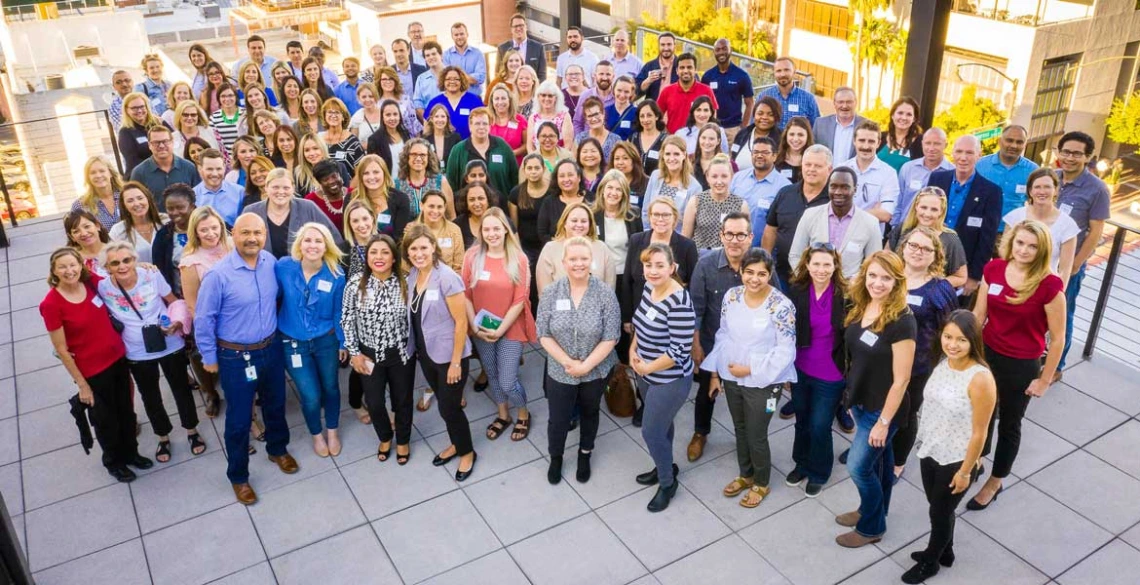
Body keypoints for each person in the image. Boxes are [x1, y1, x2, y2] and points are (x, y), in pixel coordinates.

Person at [195, 213, 298, 506]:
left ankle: (278, 449)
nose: (252, 238)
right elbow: (204, 319)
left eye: (257, 232)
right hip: (235, 356)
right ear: (233, 236)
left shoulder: (270, 262)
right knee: (239, 420)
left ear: (264, 234)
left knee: (276, 405)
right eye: (245, 233)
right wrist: (209, 357)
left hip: (271, 348)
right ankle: (239, 477)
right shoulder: (219, 275)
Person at [967, 220, 1065, 511]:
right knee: (981, 415)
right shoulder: (994, 269)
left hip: (1021, 365)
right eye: (1020, 243)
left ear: (1042, 250)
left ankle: (995, 481)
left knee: (1010, 424)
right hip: (986, 355)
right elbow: (978, 313)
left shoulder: (1050, 286)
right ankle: (978, 460)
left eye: (1032, 246)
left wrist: (1044, 379)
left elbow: (1058, 339)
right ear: (1011, 242)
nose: (1024, 250)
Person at [902, 311, 996, 584]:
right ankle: (947, 551)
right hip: (931, 447)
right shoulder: (943, 362)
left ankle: (931, 561)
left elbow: (981, 432)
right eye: (948, 336)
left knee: (938, 511)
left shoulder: (980, 379)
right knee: (938, 506)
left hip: (957, 458)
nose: (953, 344)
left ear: (974, 342)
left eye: (961, 340)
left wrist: (966, 471)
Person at [42, 248, 151, 483]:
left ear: (80, 265)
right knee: (106, 419)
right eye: (62, 267)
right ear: (54, 271)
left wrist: (142, 268)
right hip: (92, 371)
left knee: (126, 411)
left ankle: (132, 453)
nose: (69, 270)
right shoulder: (51, 303)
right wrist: (82, 385)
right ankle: (114, 461)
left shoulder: (90, 282)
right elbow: (61, 349)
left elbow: (118, 276)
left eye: (73, 265)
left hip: (117, 358)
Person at [835, 251, 916, 548]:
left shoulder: (902, 321)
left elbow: (902, 379)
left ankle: (872, 527)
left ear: (897, 281)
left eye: (886, 278)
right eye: (873, 275)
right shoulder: (862, 304)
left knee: (858, 467)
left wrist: (883, 423)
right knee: (881, 464)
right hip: (860, 400)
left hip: (882, 411)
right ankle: (871, 510)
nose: (878, 283)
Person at [703, 248, 795, 507]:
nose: (755, 279)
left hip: (764, 382)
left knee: (757, 433)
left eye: (762, 273)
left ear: (770, 274)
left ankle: (762, 482)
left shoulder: (781, 306)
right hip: (733, 377)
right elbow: (722, 336)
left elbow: (785, 350)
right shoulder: (732, 297)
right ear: (741, 271)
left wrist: (751, 369)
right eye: (749, 272)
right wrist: (715, 374)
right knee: (740, 427)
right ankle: (745, 473)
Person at [98, 240, 204, 463]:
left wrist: (176, 323)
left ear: (136, 260)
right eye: (115, 263)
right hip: (136, 352)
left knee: (181, 390)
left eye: (127, 260)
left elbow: (173, 301)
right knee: (151, 397)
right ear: (107, 267)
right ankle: (163, 436)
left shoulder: (151, 275)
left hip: (169, 343)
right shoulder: (103, 287)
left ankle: (192, 431)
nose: (122, 266)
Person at [537, 236, 621, 484]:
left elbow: (611, 336)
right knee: (558, 417)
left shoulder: (605, 294)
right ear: (564, 262)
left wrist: (585, 366)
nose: (578, 264)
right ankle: (556, 456)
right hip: (559, 370)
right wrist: (566, 362)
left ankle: (585, 453)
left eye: (583, 258)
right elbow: (542, 333)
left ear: (591, 261)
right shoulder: (552, 292)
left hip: (595, 371)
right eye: (573, 259)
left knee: (590, 412)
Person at [403, 224, 478, 479]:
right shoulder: (413, 275)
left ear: (433, 247)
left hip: (449, 357)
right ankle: (456, 443)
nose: (418, 253)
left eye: (423, 247)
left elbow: (461, 323)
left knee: (450, 408)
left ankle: (467, 452)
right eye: (413, 248)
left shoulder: (446, 277)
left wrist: (456, 362)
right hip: (427, 354)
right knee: (446, 406)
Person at [631, 243, 695, 512]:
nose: (653, 271)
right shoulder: (649, 288)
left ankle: (667, 482)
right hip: (645, 372)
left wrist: (647, 368)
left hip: (669, 379)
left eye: (659, 265)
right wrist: (633, 348)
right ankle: (664, 464)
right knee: (662, 426)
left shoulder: (679, 301)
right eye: (648, 265)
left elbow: (679, 350)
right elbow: (641, 324)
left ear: (672, 268)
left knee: (651, 430)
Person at [622, 198, 698, 426]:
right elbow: (627, 279)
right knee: (639, 357)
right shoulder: (638, 240)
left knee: (660, 361)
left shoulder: (685, 246)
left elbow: (692, 285)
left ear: (675, 218)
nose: (661, 219)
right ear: (649, 216)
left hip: (670, 317)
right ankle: (645, 404)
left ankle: (660, 405)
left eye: (666, 215)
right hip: (641, 311)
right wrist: (628, 317)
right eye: (656, 214)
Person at [462, 208, 537, 440]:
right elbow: (465, 293)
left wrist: (500, 330)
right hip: (481, 328)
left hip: (510, 328)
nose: (492, 233)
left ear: (506, 229)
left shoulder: (519, 258)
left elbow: (520, 300)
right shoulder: (472, 257)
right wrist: (476, 329)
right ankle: (503, 414)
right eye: (487, 229)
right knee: (492, 374)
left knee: (508, 380)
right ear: (481, 232)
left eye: (497, 228)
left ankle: (523, 413)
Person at [342, 234, 417, 464]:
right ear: (367, 258)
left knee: (402, 400)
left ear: (394, 257)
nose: (379, 257)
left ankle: (403, 440)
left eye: (385, 252)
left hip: (401, 354)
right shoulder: (355, 284)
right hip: (368, 354)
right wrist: (354, 352)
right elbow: (347, 319)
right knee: (374, 402)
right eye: (373, 252)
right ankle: (385, 436)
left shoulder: (406, 281)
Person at [891, 228, 959, 479]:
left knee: (906, 415)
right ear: (904, 247)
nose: (918, 252)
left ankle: (897, 461)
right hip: (883, 362)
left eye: (925, 249)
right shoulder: (890, 277)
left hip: (916, 367)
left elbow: (950, 331)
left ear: (935, 255)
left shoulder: (939, 289)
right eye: (913, 246)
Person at [687, 212, 753, 463]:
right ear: (721, 235)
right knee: (706, 392)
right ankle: (700, 432)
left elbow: (774, 301)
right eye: (729, 234)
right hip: (712, 343)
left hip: (748, 347)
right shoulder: (705, 264)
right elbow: (696, 309)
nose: (734, 240)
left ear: (750, 237)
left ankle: (746, 437)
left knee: (747, 395)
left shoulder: (761, 262)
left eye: (740, 235)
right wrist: (696, 346)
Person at [785, 243, 848, 496]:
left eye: (827, 264)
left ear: (835, 267)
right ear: (807, 265)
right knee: (802, 420)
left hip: (831, 373)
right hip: (801, 368)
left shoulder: (845, 295)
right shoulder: (797, 290)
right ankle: (801, 463)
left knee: (820, 424)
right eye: (816, 264)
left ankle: (819, 471)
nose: (821, 269)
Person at [1055, 131, 1109, 378]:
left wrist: (1075, 266)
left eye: (1077, 153)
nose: (1069, 158)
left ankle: (1057, 366)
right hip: (1040, 261)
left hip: (1068, 266)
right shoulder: (1052, 178)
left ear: (1088, 157)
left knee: (1062, 314)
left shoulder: (1097, 189)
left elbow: (1096, 232)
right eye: (1065, 151)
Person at [926, 135, 1002, 300]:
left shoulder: (991, 192)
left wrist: (974, 276)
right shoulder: (937, 179)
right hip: (928, 261)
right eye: (959, 151)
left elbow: (987, 239)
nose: (963, 157)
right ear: (952, 153)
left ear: (978, 155)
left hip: (962, 269)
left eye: (969, 152)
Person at [179, 206, 231, 418]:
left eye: (214, 227)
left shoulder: (233, 247)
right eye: (204, 230)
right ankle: (212, 394)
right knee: (220, 368)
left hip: (242, 320)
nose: (211, 233)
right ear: (195, 232)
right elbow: (192, 304)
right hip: (215, 324)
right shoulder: (191, 261)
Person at [789, 167, 882, 280]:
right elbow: (795, 255)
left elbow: (874, 264)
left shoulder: (870, 222)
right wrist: (810, 282)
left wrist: (854, 285)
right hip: (814, 290)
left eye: (845, 187)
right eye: (833, 186)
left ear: (855, 189)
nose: (838, 192)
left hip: (850, 293)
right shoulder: (810, 215)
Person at [762, 145, 833, 287]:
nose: (811, 169)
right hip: (782, 274)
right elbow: (770, 231)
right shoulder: (785, 193)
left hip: (819, 280)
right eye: (808, 164)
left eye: (818, 166)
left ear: (829, 169)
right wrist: (766, 264)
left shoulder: (833, 200)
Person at [246, 169, 344, 259]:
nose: (281, 192)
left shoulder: (308, 207)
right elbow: (241, 244)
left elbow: (334, 239)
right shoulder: (251, 211)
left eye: (286, 188)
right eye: (275, 187)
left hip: (302, 273)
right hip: (262, 272)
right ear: (266, 188)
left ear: (293, 188)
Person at [887, 187, 969, 288]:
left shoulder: (950, 239)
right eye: (923, 207)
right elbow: (885, 260)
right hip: (896, 291)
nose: (927, 214)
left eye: (934, 209)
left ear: (941, 212)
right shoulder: (903, 228)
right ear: (916, 206)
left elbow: (961, 277)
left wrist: (930, 286)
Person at [536, 202, 616, 292]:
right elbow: (544, 293)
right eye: (574, 221)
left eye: (584, 221)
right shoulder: (550, 249)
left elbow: (610, 288)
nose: (579, 225)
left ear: (590, 224)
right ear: (564, 223)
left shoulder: (602, 248)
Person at [730, 136, 792, 246]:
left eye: (765, 152)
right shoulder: (738, 178)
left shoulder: (784, 187)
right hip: (733, 245)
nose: (759, 155)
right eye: (756, 152)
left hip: (762, 251)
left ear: (774, 156)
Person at [445, 108, 519, 197]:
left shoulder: (502, 146)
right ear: (470, 126)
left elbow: (514, 176)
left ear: (489, 126)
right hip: (467, 206)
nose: (481, 127)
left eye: (485, 123)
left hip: (499, 206)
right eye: (477, 124)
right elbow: (451, 182)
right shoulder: (458, 150)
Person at [839, 120, 898, 230]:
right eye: (861, 140)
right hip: (840, 232)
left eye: (871, 141)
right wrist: (873, 212)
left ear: (878, 143)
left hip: (871, 236)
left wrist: (848, 214)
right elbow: (833, 208)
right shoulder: (841, 170)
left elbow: (886, 214)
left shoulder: (889, 173)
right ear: (854, 141)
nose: (866, 146)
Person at [682, 154, 748, 250]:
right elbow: (685, 239)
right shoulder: (696, 202)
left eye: (724, 176)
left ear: (731, 177)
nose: (719, 181)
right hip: (700, 260)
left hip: (729, 260)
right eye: (714, 176)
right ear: (707, 178)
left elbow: (745, 241)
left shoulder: (741, 205)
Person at [129, 126, 201, 210]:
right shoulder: (139, 173)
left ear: (172, 142)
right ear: (149, 145)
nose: (161, 146)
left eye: (165, 141)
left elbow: (199, 199)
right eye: (156, 142)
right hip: (157, 221)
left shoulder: (189, 167)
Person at [977, 125, 1039, 222]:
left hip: (1014, 230)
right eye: (1009, 140)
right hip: (982, 228)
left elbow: (1036, 203)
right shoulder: (980, 165)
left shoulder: (1033, 170)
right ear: (1000, 141)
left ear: (1025, 145)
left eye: (1019, 142)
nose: (1014, 146)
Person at [893, 128, 953, 227]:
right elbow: (897, 201)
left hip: (935, 233)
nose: (931, 148)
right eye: (928, 143)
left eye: (937, 144)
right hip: (906, 228)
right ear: (922, 144)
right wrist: (895, 227)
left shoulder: (952, 172)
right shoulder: (908, 168)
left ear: (945, 145)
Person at [701, 38, 755, 142]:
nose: (721, 52)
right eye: (718, 50)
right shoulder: (707, 76)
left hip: (733, 129)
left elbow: (750, 103)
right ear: (714, 52)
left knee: (731, 158)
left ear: (731, 50)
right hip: (712, 127)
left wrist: (743, 128)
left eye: (724, 49)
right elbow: (702, 103)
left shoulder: (742, 75)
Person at [641, 136, 701, 227]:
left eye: (676, 154)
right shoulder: (655, 176)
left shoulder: (694, 187)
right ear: (663, 156)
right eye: (668, 154)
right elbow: (646, 211)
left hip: (677, 238)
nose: (671, 158)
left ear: (684, 155)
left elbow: (692, 223)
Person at [351, 154, 412, 241]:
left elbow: (399, 238)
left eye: (376, 172)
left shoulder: (401, 199)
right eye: (366, 173)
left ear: (385, 173)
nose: (371, 177)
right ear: (360, 177)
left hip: (389, 251)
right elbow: (348, 233)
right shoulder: (351, 199)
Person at [151, 184, 195, 298]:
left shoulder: (208, 227)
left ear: (192, 206)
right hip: (179, 299)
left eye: (180, 207)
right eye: (170, 209)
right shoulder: (163, 236)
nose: (175, 212)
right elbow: (159, 272)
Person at [395, 137, 456, 219]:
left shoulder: (441, 182)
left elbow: (451, 216)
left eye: (422, 155)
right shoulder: (396, 184)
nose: (418, 158)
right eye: (414, 154)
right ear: (406, 157)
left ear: (429, 158)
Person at [657, 53, 717, 135]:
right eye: (682, 68)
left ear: (695, 69)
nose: (685, 71)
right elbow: (657, 116)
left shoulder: (706, 90)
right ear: (677, 71)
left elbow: (713, 117)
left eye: (689, 67)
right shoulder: (667, 91)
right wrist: (666, 133)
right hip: (674, 140)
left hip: (699, 141)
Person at [109, 182, 165, 263]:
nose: (137, 203)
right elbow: (110, 260)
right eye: (130, 201)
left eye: (140, 198)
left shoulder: (166, 221)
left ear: (148, 199)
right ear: (124, 205)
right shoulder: (117, 231)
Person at [428, 65, 486, 140]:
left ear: (462, 81)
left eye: (456, 79)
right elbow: (427, 129)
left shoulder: (474, 101)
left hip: (469, 147)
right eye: (448, 79)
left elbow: (484, 124)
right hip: (443, 148)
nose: (452, 82)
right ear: (443, 81)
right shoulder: (435, 102)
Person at [537, 159, 588, 243]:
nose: (566, 179)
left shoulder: (591, 200)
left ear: (579, 177)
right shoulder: (549, 202)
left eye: (570, 175)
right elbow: (542, 233)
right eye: (562, 176)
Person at [758, 57, 819, 127]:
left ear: (794, 72)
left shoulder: (808, 99)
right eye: (778, 71)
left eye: (786, 70)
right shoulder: (763, 96)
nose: (782, 74)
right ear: (774, 73)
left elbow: (816, 129)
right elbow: (754, 124)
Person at [415, 189, 465, 273]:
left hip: (448, 282)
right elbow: (406, 267)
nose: (435, 211)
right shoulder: (412, 230)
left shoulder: (454, 230)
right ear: (421, 206)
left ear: (445, 208)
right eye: (431, 206)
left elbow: (458, 266)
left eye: (439, 207)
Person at [118, 92, 166, 176]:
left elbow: (174, 142)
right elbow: (133, 160)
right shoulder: (125, 132)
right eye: (134, 108)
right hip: (141, 175)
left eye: (141, 107)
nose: (139, 111)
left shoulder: (159, 122)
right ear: (127, 110)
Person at [812, 87, 864, 163]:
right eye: (840, 102)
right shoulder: (820, 124)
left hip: (855, 174)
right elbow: (813, 151)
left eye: (849, 102)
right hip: (826, 174)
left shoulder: (866, 126)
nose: (844, 106)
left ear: (855, 102)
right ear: (834, 103)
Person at [193, 149, 244, 226]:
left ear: (224, 168)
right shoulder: (193, 195)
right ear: (200, 169)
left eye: (218, 169)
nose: (215, 174)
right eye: (209, 169)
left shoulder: (239, 192)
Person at [731, 97, 783, 170]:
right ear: (754, 115)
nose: (764, 117)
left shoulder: (782, 138)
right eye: (760, 113)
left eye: (770, 114)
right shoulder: (742, 133)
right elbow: (733, 157)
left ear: (777, 117)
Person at [73, 156, 123, 230]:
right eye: (93, 173)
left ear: (110, 173)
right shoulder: (80, 205)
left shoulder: (125, 196)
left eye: (102, 171)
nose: (98, 175)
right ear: (88, 178)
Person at [364, 98, 411, 172]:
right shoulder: (374, 139)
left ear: (399, 116)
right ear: (382, 117)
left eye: (395, 114)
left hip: (405, 181)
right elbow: (372, 166)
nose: (392, 118)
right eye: (388, 115)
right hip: (387, 181)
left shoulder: (405, 134)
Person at [303, 160, 349, 236]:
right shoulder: (311, 201)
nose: (331, 181)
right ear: (319, 183)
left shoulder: (353, 195)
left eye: (334, 176)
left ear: (340, 176)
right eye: (325, 179)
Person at [878, 97, 924, 171]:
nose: (904, 117)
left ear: (914, 119)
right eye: (900, 113)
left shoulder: (921, 142)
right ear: (892, 115)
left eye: (909, 114)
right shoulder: (879, 137)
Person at [527, 80, 574, 151]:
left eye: (550, 96)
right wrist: (535, 160)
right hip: (538, 158)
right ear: (538, 97)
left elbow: (568, 145)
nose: (546, 99)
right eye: (543, 95)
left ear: (556, 98)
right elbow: (529, 146)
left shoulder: (564, 116)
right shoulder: (533, 117)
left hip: (560, 159)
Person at [499, 14, 547, 81]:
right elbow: (499, 72)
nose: (518, 28)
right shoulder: (502, 48)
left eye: (521, 25)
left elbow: (542, 75)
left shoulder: (538, 47)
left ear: (526, 27)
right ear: (511, 29)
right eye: (515, 26)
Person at [320, 98, 366, 169]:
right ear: (325, 116)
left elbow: (361, 171)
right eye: (330, 112)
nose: (333, 115)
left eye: (337, 112)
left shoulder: (353, 142)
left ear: (343, 117)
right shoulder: (319, 140)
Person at [443, 22, 487, 96]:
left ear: (467, 34)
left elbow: (481, 77)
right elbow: (447, 80)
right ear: (452, 36)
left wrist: (456, 79)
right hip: (454, 99)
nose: (459, 37)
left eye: (462, 34)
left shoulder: (477, 54)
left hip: (475, 98)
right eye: (456, 35)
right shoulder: (446, 55)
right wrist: (470, 78)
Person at [572, 61, 615, 135]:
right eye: (601, 74)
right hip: (588, 142)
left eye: (608, 74)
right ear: (595, 76)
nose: (604, 78)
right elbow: (577, 122)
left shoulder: (617, 97)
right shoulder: (585, 95)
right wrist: (582, 141)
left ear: (613, 76)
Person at [489, 85, 528, 163]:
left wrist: (510, 154)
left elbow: (527, 145)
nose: (500, 102)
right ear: (492, 102)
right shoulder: (487, 120)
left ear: (509, 100)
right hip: (492, 166)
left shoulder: (520, 120)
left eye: (503, 98)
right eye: (497, 99)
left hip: (515, 164)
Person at [575, 97, 621, 162]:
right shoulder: (579, 139)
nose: (594, 119)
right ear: (585, 119)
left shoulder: (616, 140)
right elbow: (574, 164)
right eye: (590, 116)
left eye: (596, 114)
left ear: (603, 113)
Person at [635, 32, 678, 101]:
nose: (666, 48)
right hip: (654, 109)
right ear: (658, 46)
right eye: (663, 45)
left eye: (669, 44)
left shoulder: (682, 65)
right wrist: (648, 81)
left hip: (675, 108)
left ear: (674, 45)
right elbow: (636, 89)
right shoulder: (650, 66)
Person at [630, 100, 667, 176]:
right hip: (634, 184)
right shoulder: (632, 139)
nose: (645, 120)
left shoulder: (665, 140)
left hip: (656, 184)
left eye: (649, 115)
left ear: (656, 116)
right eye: (642, 116)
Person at [455, 181, 496, 249]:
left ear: (488, 200)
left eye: (481, 198)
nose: (477, 204)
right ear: (466, 203)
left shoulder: (501, 221)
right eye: (472, 200)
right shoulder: (457, 225)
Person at [422, 103, 464, 167]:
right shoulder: (425, 139)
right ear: (431, 119)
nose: (440, 120)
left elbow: (460, 160)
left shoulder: (455, 138)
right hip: (431, 175)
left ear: (447, 119)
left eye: (443, 116)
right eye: (436, 116)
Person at [412, 41, 446, 119]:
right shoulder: (421, 79)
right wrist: (428, 121)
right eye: (427, 55)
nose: (431, 57)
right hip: (430, 122)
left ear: (441, 55)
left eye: (434, 54)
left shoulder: (452, 74)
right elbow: (418, 103)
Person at [775, 116, 813, 184]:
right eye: (791, 134)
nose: (795, 139)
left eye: (800, 135)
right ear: (786, 135)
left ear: (807, 136)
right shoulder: (776, 158)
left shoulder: (813, 160)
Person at [611, 141, 649, 207]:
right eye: (617, 159)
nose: (620, 162)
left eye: (625, 158)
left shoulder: (647, 183)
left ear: (634, 161)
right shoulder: (608, 182)